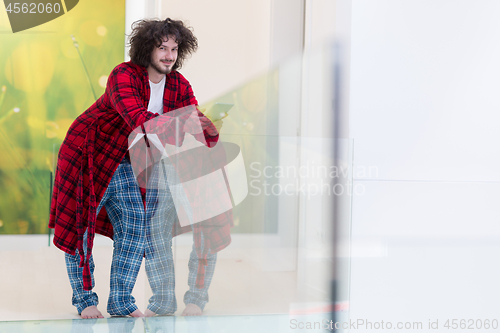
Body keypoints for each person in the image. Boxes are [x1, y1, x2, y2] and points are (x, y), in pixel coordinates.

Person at [49, 18, 232, 319]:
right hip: (88, 155)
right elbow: (140, 122)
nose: (169, 55)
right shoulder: (123, 76)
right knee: (80, 229)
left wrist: (198, 124)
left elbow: (205, 131)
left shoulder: (179, 84)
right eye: (162, 48)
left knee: (135, 226)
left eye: (174, 49)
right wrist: (183, 123)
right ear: (147, 48)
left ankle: (121, 303)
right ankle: (85, 302)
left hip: (127, 161)